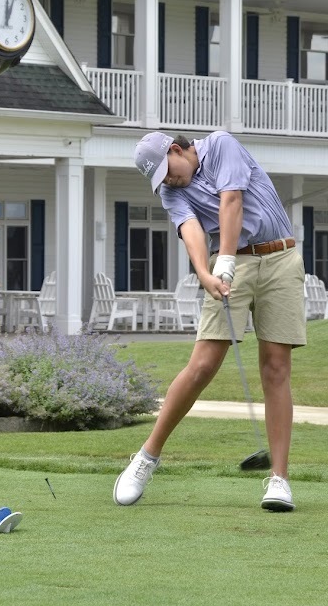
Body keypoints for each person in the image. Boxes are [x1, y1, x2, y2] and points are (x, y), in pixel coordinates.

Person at [112, 129, 306, 512]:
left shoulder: (221, 145)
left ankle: (279, 480)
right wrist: (205, 273)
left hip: (280, 258)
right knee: (202, 365)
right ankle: (146, 458)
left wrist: (227, 259)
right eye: (161, 179)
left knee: (276, 367)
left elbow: (232, 200)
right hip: (229, 264)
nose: (169, 181)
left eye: (167, 171)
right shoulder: (171, 191)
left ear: (176, 149)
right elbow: (192, 231)